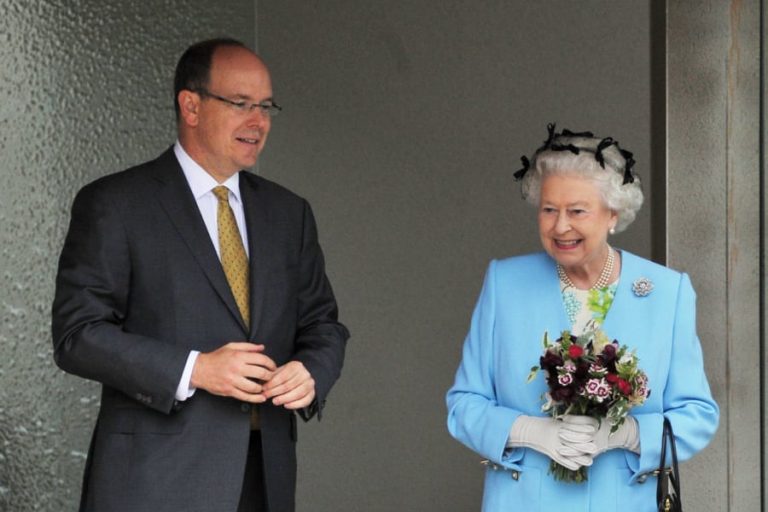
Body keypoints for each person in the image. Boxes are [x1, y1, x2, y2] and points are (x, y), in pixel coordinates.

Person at [52, 38, 349, 512]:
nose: (259, 121)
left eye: (266, 106)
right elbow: (78, 334)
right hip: (154, 480)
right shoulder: (116, 203)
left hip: (264, 477)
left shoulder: (288, 212)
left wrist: (312, 371)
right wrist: (197, 369)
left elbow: (322, 324)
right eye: (241, 104)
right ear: (190, 106)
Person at [446, 124, 718, 511]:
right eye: (548, 210)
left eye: (576, 211)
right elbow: (464, 404)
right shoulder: (505, 284)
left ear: (614, 213)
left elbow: (698, 414)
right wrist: (529, 432)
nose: (560, 226)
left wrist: (627, 434)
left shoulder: (666, 292)